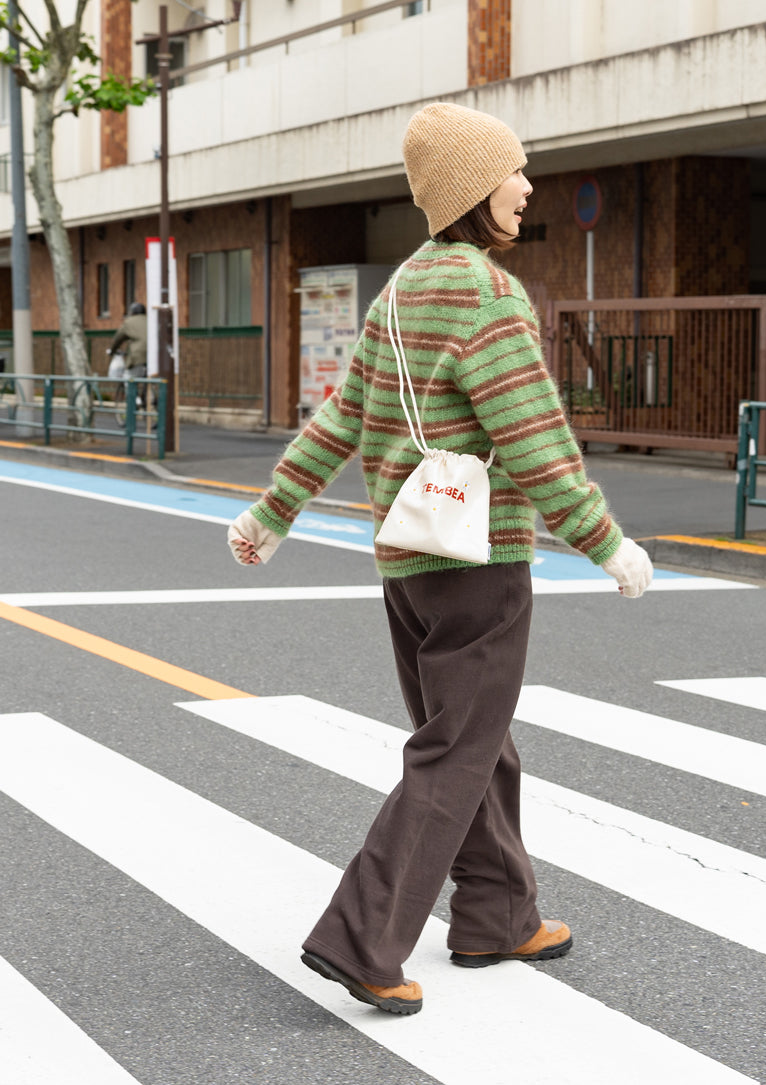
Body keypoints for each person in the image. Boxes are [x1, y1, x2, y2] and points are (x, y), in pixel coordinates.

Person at [227, 102, 653, 1017]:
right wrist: (604, 542)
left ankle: (497, 915)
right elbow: (534, 440)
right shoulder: (489, 296)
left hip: (406, 562)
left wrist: (274, 512)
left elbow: (340, 417)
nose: (528, 186)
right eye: (515, 171)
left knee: (475, 741)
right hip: (479, 564)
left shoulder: (401, 290)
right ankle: (361, 938)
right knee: (456, 750)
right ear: (472, 189)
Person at [109, 301, 148, 376]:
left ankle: (130, 387)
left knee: (129, 379)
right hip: (154, 356)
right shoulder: (150, 320)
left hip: (138, 356)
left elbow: (118, 339)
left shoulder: (129, 322)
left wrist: (112, 350)